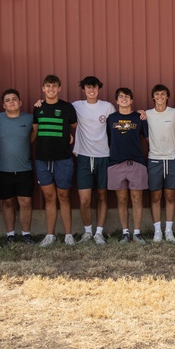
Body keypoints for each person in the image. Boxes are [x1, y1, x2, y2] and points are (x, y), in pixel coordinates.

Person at [32, 74, 78, 247]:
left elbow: (74, 126)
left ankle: (68, 235)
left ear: (59, 88)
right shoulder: (38, 108)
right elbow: (35, 132)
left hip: (63, 158)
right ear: (43, 89)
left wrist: (71, 136)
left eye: (54, 86)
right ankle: (50, 235)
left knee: (64, 196)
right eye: (47, 86)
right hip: (43, 158)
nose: (51, 89)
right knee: (49, 197)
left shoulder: (67, 107)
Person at [71, 76, 115, 244]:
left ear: (98, 89)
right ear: (84, 90)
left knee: (102, 195)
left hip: (103, 155)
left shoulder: (107, 107)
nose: (91, 90)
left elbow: (115, 126)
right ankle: (88, 232)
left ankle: (99, 232)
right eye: (88, 88)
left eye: (94, 87)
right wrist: (40, 102)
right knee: (85, 200)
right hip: (83, 156)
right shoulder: (76, 106)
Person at [106, 87, 148, 243]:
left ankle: (137, 232)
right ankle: (125, 232)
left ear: (131, 100)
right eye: (121, 97)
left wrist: (143, 113)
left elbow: (147, 138)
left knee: (137, 199)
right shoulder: (111, 119)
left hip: (136, 162)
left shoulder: (139, 118)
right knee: (122, 200)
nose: (124, 99)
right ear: (116, 101)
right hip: (116, 163)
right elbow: (109, 139)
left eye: (127, 97)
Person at [0, 89, 35, 245]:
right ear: (3, 105)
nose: (11, 101)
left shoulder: (30, 118)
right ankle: (10, 235)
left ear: (20, 102)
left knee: (25, 202)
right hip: (3, 168)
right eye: (7, 100)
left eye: (14, 99)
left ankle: (26, 234)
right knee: (8, 202)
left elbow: (35, 134)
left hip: (24, 168)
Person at [146, 83, 175, 242]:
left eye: (163, 94)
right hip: (154, 159)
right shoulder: (147, 114)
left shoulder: (174, 113)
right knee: (155, 196)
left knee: (169, 195)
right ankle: (157, 231)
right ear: (153, 97)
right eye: (157, 94)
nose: (160, 97)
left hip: (171, 159)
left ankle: (168, 230)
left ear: (167, 97)